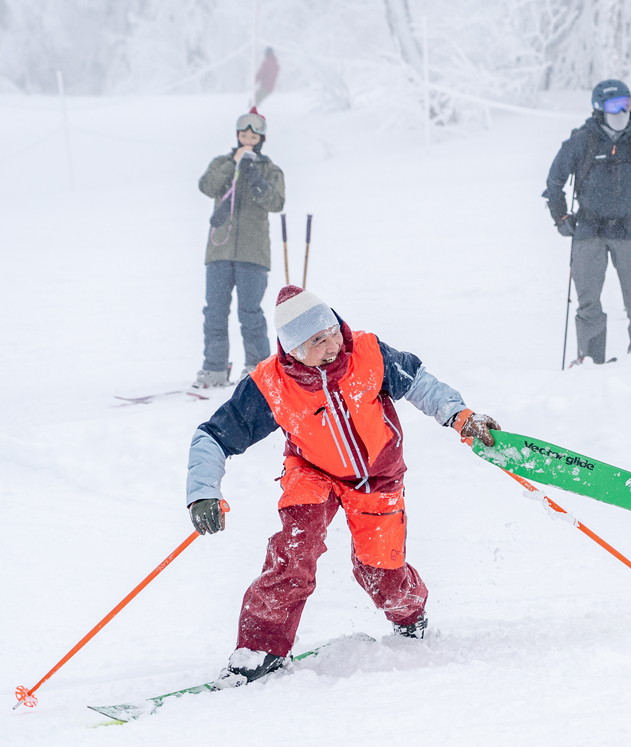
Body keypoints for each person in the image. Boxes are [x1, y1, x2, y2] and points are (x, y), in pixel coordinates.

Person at [186, 285, 501, 685]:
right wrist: (203, 492)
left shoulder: (368, 353)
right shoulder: (271, 385)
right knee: (294, 552)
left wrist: (460, 416)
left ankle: (409, 614)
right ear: (294, 348)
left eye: (333, 331)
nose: (334, 344)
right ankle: (260, 646)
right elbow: (212, 436)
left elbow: (421, 385)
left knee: (380, 571)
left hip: (377, 476)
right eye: (318, 340)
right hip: (311, 472)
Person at [544, 79, 631, 364]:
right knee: (588, 301)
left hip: (627, 227)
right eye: (614, 105)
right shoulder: (581, 140)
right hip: (588, 229)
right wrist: (560, 216)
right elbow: (554, 181)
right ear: (599, 107)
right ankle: (591, 360)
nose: (621, 111)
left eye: (626, 104)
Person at [194, 107, 285, 388]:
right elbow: (207, 186)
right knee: (215, 312)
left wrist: (255, 178)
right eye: (243, 133)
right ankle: (215, 368)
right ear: (237, 136)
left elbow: (276, 203)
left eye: (253, 134)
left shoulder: (270, 169)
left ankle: (257, 369)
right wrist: (232, 165)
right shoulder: (222, 162)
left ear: (261, 139)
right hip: (219, 253)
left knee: (250, 313)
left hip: (253, 255)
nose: (248, 138)